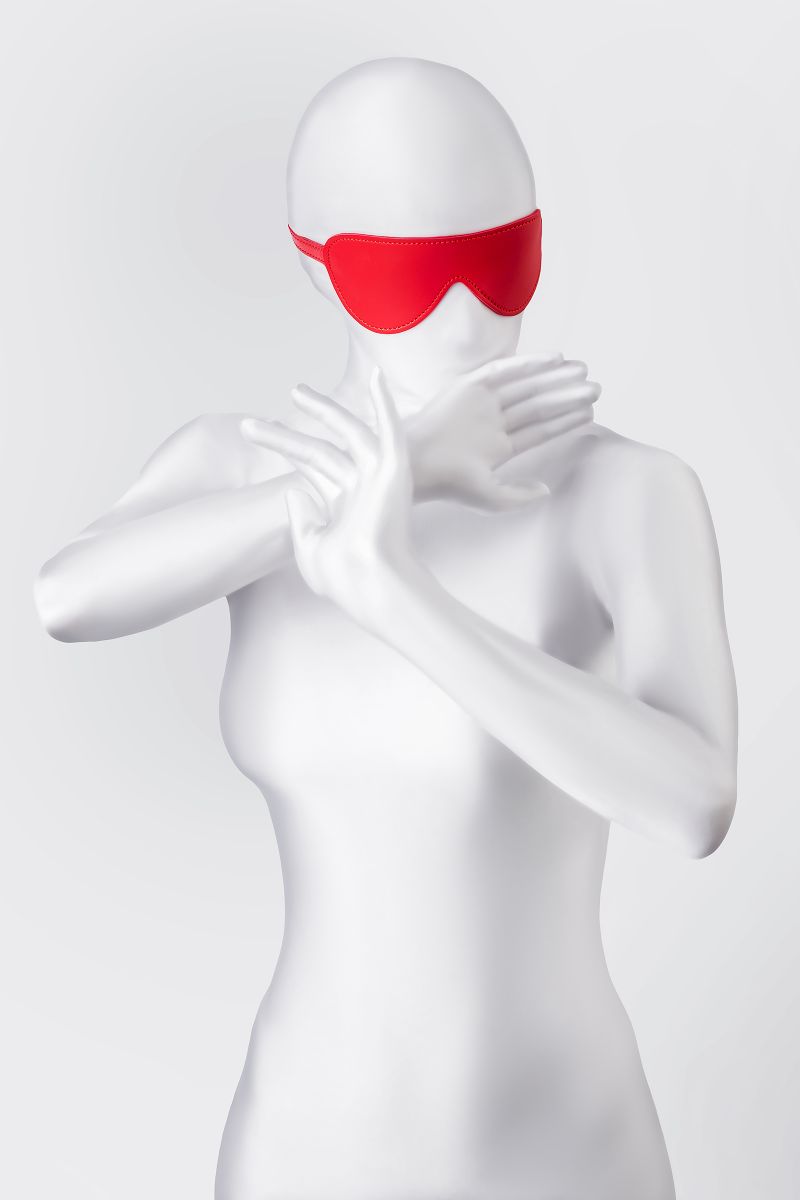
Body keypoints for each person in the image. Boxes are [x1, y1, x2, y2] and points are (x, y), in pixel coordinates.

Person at [34, 56, 738, 1200]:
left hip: (561, 1140)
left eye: (499, 260)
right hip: (303, 1141)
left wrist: (393, 593)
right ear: (314, 266)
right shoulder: (243, 470)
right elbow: (64, 599)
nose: (466, 318)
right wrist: (389, 474)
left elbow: (692, 800)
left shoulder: (623, 493)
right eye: (409, 274)